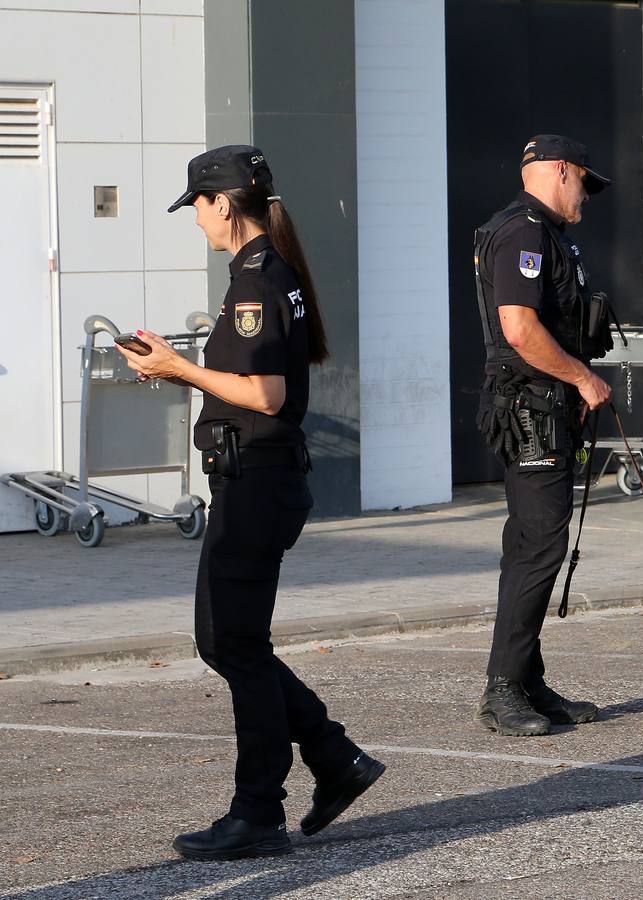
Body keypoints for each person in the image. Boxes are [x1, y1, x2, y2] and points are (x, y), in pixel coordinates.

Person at [117, 145, 384, 859]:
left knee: (231, 642)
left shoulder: (257, 284)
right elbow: (251, 383)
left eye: (197, 207)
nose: (196, 221)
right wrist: (179, 370)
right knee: (233, 640)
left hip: (256, 481)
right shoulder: (265, 276)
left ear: (223, 205)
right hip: (258, 478)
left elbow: (264, 395)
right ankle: (331, 759)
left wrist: (178, 366)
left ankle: (261, 810)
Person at [472, 134, 615, 736]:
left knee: (530, 546)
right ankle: (503, 691)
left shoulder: (545, 233)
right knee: (539, 546)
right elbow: (521, 329)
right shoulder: (524, 232)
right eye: (584, 181)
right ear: (561, 171)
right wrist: (583, 379)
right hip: (532, 411)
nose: (586, 194)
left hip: (546, 407)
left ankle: (526, 682)